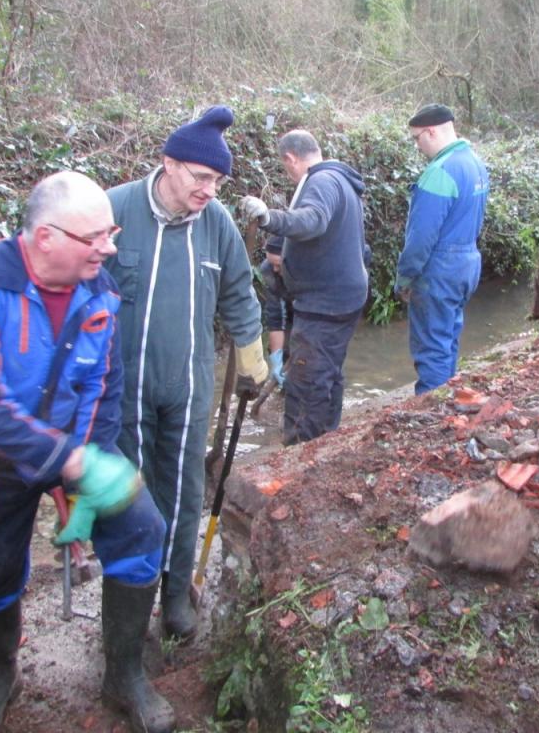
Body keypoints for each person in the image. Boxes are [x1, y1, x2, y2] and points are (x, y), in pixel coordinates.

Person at [0, 170, 174, 733]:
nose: (109, 247)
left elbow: (103, 387)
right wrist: (69, 460)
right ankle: (3, 670)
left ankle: (124, 676)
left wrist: (90, 466)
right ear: (47, 238)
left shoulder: (100, 291)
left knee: (141, 529)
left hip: (74, 448)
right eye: (97, 238)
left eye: (110, 233)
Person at [107, 105, 269, 640]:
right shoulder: (115, 210)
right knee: (130, 495)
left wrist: (251, 356)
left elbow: (240, 295)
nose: (210, 191)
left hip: (190, 384)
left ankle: (176, 594)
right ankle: (132, 595)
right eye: (202, 177)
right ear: (169, 164)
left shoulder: (216, 224)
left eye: (219, 181)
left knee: (183, 490)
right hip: (123, 387)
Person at [238, 130, 368, 444]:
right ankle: (327, 440)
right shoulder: (339, 181)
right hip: (340, 296)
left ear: (290, 159)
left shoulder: (322, 182)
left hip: (326, 302)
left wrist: (269, 218)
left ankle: (299, 455)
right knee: (328, 374)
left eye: (286, 167)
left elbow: (312, 220)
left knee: (306, 383)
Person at [394, 104, 490, 394]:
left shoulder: (439, 172)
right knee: (448, 339)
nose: (417, 144)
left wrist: (405, 278)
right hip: (467, 263)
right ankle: (448, 402)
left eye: (416, 138)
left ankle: (429, 414)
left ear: (431, 131)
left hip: (440, 268)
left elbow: (421, 237)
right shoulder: (474, 163)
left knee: (431, 348)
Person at [260, 233, 292, 386]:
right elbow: (275, 318)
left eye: (279, 265)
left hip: (313, 308)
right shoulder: (269, 271)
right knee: (284, 350)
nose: (275, 269)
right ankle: (284, 386)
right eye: (271, 263)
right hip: (290, 307)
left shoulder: (309, 267)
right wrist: (276, 360)